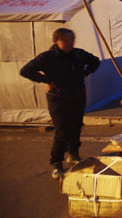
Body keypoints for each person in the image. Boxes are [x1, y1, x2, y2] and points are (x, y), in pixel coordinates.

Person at [20, 28, 100, 178]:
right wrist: (46, 80)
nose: (70, 43)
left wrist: (85, 73)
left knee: (76, 125)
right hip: (58, 98)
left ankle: (73, 154)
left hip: (77, 95)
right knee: (62, 130)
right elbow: (25, 71)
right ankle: (56, 163)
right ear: (56, 41)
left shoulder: (78, 54)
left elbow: (95, 61)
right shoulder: (47, 57)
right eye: (66, 40)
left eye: (72, 40)